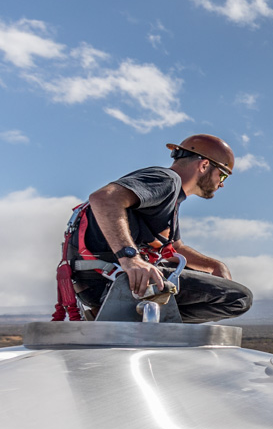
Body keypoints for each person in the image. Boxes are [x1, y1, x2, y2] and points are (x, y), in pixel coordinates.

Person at [70, 134, 253, 323]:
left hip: (99, 281)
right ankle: (134, 320)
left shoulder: (172, 199)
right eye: (222, 174)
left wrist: (214, 266)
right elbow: (104, 198)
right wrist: (131, 259)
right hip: (113, 279)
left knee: (208, 280)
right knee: (238, 298)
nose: (222, 183)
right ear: (204, 165)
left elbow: (175, 248)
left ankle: (122, 317)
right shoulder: (167, 180)